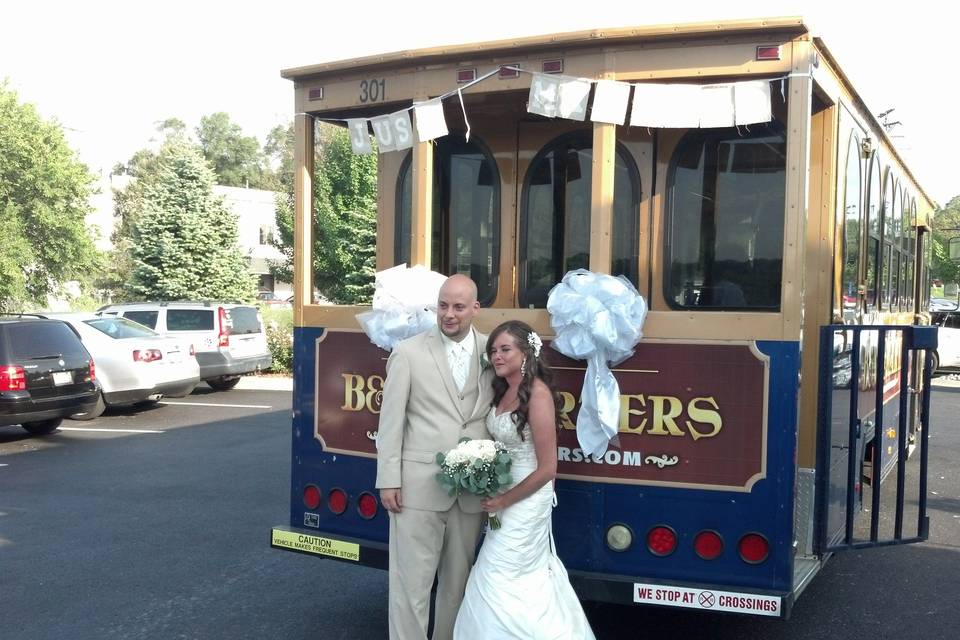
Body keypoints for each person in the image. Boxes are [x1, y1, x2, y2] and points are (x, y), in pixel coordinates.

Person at [454, 320, 596, 639]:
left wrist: (505, 499)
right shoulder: (503, 390)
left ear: (526, 352)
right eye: (493, 351)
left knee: (497, 572)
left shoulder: (539, 395)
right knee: (512, 578)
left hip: (528, 499)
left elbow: (548, 468)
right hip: (503, 496)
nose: (497, 357)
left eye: (505, 349)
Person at [376, 274, 495, 640]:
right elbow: (391, 422)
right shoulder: (408, 352)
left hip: (470, 491)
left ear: (475, 308)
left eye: (459, 307)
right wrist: (388, 479)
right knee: (410, 587)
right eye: (443, 305)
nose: (449, 314)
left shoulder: (494, 352)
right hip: (417, 489)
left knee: (456, 587)